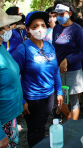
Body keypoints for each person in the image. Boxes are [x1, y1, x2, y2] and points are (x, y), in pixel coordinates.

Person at [12, 11, 63, 148]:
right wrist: (22, 101)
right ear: (28, 29)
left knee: (43, 126)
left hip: (49, 95)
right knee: (35, 130)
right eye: (35, 26)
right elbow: (14, 77)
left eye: (42, 25)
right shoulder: (22, 50)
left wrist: (59, 91)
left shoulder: (49, 46)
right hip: (32, 99)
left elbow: (55, 70)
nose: (40, 29)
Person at [52, 0, 83, 120]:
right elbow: (55, 48)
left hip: (73, 70)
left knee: (73, 100)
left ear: (70, 13)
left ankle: (72, 128)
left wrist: (67, 60)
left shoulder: (77, 29)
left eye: (62, 14)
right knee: (61, 98)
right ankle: (68, 118)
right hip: (59, 71)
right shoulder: (56, 28)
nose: (59, 17)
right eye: (57, 14)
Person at [0, 6, 23, 148]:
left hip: (8, 119)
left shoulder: (0, 48)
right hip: (0, 123)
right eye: (7, 26)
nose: (10, 29)